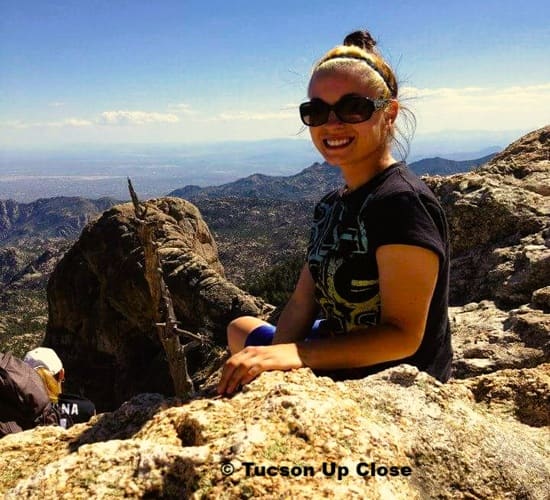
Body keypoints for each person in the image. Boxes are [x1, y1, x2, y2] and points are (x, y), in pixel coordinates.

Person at [217, 29, 452, 395]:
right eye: (316, 110)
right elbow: (301, 301)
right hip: (333, 346)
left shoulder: (402, 203)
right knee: (239, 328)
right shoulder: (332, 204)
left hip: (387, 380)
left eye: (352, 107)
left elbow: (403, 337)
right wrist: (275, 362)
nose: (332, 122)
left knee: (246, 338)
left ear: (388, 113)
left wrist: (294, 355)